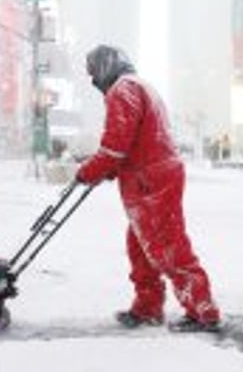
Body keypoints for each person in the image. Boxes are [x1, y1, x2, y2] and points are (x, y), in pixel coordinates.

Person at [76, 45, 222, 333]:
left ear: (106, 67)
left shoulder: (123, 90)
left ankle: (202, 309)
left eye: (94, 73)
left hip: (150, 179)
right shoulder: (138, 86)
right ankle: (147, 307)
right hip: (150, 174)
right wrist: (111, 169)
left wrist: (89, 171)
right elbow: (135, 140)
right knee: (141, 244)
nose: (94, 82)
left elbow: (115, 144)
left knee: (166, 244)